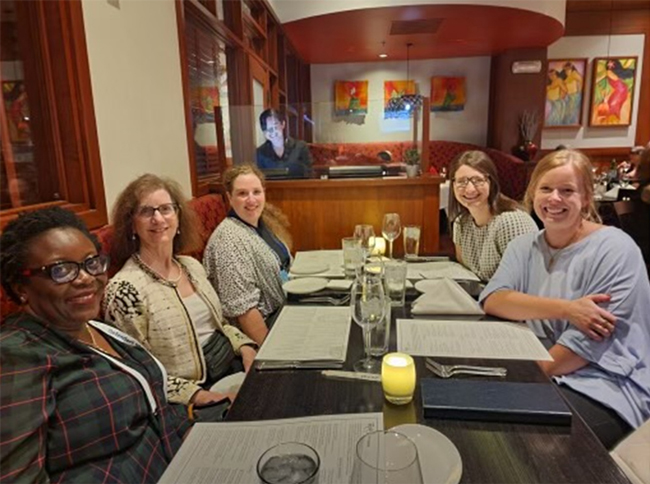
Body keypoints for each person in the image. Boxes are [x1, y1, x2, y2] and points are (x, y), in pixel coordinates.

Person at [0, 207, 190, 482]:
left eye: (91, 263)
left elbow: (153, 407)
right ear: (20, 287)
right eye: (61, 270)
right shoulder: (15, 355)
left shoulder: (97, 327)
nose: (86, 278)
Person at [480, 149, 650, 449]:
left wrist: (521, 379)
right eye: (546, 189)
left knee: (531, 443)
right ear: (532, 194)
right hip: (543, 371)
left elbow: (585, 344)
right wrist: (568, 309)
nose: (554, 199)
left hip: (603, 386)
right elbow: (494, 299)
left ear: (586, 198)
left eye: (567, 190)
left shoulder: (616, 250)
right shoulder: (523, 246)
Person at [102, 174, 257, 412]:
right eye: (146, 211)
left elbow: (222, 324)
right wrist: (197, 395)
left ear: (178, 217)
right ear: (131, 224)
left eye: (166, 209)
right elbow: (138, 370)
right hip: (187, 396)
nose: (158, 218)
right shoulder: (125, 290)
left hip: (231, 365)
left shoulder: (191, 266)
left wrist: (246, 347)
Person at [204, 164, 291, 345]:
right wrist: (271, 353)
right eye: (242, 194)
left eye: (256, 192)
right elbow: (244, 311)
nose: (251, 200)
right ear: (229, 198)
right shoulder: (228, 241)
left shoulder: (260, 223)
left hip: (284, 312)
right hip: (264, 329)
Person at [448, 150, 538, 282]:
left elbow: (526, 281)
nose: (470, 189)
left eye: (478, 180)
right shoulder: (461, 223)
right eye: (462, 181)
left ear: (492, 182)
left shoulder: (511, 221)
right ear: (453, 185)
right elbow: (464, 272)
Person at [256, 108, 312, 177]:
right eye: (268, 129)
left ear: (283, 124)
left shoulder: (301, 147)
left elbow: (309, 174)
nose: (273, 132)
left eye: (275, 127)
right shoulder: (260, 152)